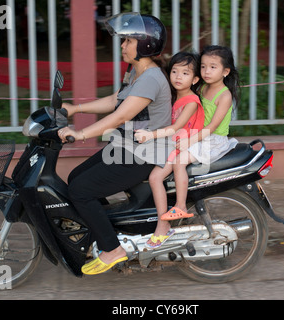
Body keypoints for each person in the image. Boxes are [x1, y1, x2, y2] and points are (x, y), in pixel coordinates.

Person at [57, 13, 171, 275]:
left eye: (128, 41)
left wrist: (81, 134)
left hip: (143, 154)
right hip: (126, 146)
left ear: (145, 45)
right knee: (76, 177)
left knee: (81, 190)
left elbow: (121, 115)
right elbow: (116, 100)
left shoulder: (152, 78)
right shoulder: (137, 72)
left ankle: (113, 249)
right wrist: (76, 108)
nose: (122, 46)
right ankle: (107, 232)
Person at [159, 45, 240, 222]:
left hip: (212, 140)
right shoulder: (202, 87)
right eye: (203, 66)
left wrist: (189, 140)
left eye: (213, 67)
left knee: (179, 162)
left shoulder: (224, 96)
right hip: (196, 134)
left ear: (225, 71)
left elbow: (211, 127)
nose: (206, 71)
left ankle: (180, 206)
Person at [134, 51, 205, 248]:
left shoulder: (190, 101)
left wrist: (149, 135)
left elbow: (175, 128)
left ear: (195, 78)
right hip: (171, 142)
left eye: (185, 73)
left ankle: (165, 222)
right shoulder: (174, 96)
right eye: (174, 71)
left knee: (155, 177)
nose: (178, 77)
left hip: (181, 144)